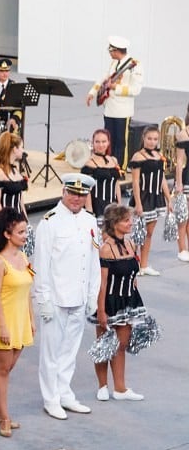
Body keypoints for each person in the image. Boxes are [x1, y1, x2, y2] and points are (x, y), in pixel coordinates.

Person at [33, 173, 101, 420]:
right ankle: (50, 398)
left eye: (81, 195)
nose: (76, 198)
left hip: (79, 296)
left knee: (70, 350)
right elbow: (41, 264)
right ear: (64, 192)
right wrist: (43, 299)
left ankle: (64, 393)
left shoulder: (90, 221)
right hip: (57, 297)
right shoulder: (49, 222)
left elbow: (93, 261)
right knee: (51, 352)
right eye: (72, 193)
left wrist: (93, 295)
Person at [0, 208, 34, 437]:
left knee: (9, 368)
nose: (25, 236)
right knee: (2, 370)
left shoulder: (23, 258)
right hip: (5, 320)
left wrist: (31, 320)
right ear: (6, 234)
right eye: (21, 232)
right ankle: (4, 417)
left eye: (25, 231)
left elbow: (28, 292)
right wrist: (2, 326)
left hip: (21, 320)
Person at [93, 203, 146, 402]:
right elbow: (102, 282)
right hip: (108, 301)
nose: (131, 223)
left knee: (121, 345)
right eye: (126, 220)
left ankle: (120, 388)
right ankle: (102, 385)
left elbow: (133, 273)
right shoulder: (105, 249)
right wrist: (101, 310)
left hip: (128, 300)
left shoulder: (131, 245)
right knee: (104, 344)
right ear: (115, 223)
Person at [87, 36, 143, 171]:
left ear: (116, 51)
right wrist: (92, 92)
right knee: (108, 139)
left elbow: (136, 89)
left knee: (120, 141)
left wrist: (115, 88)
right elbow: (105, 78)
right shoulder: (114, 63)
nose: (109, 53)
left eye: (110, 51)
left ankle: (120, 167)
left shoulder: (134, 66)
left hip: (123, 110)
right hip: (110, 108)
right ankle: (107, 163)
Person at [129, 125, 171, 276]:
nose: (152, 142)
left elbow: (162, 179)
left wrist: (168, 199)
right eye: (149, 139)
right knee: (138, 234)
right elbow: (135, 182)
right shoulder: (138, 157)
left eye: (155, 139)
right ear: (143, 138)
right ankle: (131, 265)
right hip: (143, 198)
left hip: (156, 198)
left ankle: (144, 265)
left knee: (149, 234)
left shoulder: (159, 156)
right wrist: (138, 203)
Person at [82, 128, 123, 226]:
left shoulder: (113, 160)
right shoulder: (89, 163)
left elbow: (116, 184)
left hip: (112, 204)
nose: (101, 145)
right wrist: (89, 211)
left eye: (104, 141)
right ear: (93, 143)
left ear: (108, 142)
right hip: (97, 206)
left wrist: (120, 204)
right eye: (97, 142)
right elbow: (86, 189)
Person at [0, 132, 28, 218]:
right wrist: (4, 226)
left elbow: (20, 201)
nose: (23, 150)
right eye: (21, 147)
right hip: (3, 221)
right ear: (14, 149)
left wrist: (26, 221)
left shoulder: (15, 170)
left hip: (18, 220)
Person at [173, 107, 189, 262]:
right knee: (183, 216)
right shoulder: (183, 134)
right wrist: (179, 183)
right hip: (187, 178)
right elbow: (179, 161)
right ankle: (182, 248)